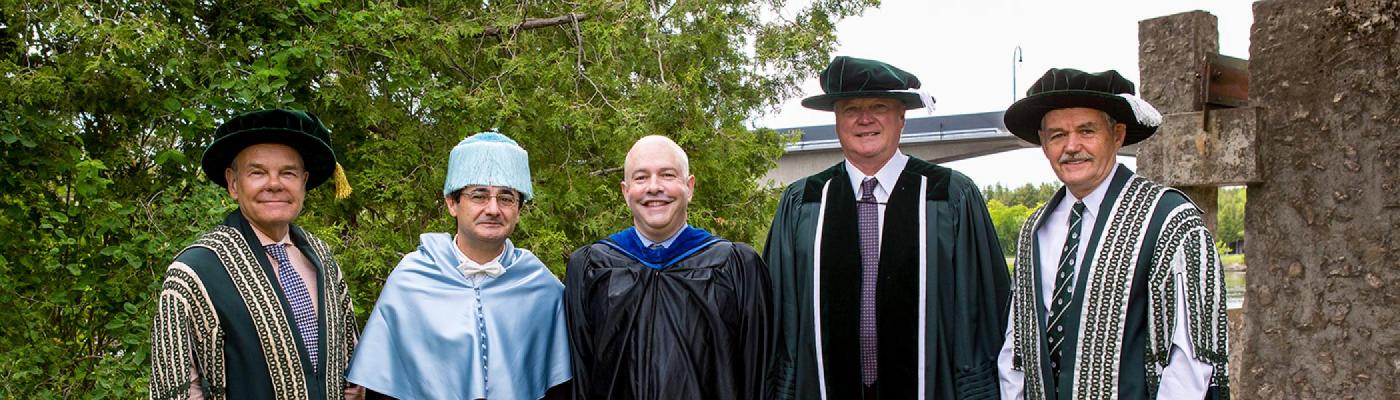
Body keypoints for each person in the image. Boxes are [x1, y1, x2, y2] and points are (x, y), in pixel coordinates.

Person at [764, 56, 1010, 399]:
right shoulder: (803, 201)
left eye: (879, 106)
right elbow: (781, 316)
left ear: (901, 117)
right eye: (851, 109)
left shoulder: (950, 195)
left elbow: (981, 312)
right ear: (837, 121)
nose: (865, 119)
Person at [996, 68, 1231, 399]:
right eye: (1057, 135)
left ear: (1117, 135)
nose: (1071, 146)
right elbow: (1016, 345)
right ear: (1044, 143)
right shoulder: (1034, 230)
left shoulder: (1170, 221)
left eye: (1086, 131)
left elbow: (1191, 360)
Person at [150, 109, 363, 399]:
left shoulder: (322, 258)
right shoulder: (195, 272)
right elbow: (175, 389)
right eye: (257, 172)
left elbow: (350, 355)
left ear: (304, 182)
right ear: (233, 184)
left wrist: (356, 384)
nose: (274, 184)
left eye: (288, 172)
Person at [346, 132, 572, 399]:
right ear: (452, 203)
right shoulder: (411, 279)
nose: (493, 209)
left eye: (506, 198)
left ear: (519, 210)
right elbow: (383, 387)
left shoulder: (540, 285)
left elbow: (560, 387)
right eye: (478, 195)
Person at [564, 135, 771, 399]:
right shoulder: (590, 268)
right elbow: (581, 378)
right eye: (640, 178)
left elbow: (759, 375)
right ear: (625, 192)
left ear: (690, 186)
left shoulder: (736, 266)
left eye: (667, 175)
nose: (653, 187)